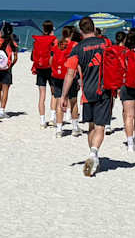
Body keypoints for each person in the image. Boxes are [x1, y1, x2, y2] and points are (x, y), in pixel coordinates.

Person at [61, 17, 111, 176]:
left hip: (87, 91)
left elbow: (70, 74)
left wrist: (63, 96)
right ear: (94, 28)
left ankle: (92, 155)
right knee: (100, 126)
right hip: (104, 89)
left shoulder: (77, 48)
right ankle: (94, 154)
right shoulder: (105, 44)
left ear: (81, 31)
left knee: (91, 127)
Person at [50, 26, 81, 137]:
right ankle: (74, 127)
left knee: (59, 102)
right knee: (73, 102)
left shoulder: (57, 44)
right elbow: (78, 63)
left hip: (57, 76)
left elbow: (51, 60)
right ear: (72, 34)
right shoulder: (75, 45)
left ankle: (59, 129)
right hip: (70, 76)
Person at [31, 21, 58, 128]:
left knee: (41, 95)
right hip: (51, 68)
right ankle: (52, 118)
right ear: (52, 29)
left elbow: (33, 56)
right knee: (54, 93)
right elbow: (56, 53)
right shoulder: (54, 39)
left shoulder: (37, 39)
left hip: (40, 68)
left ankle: (42, 121)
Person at [0, 23, 18, 120]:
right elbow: (16, 58)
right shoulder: (13, 43)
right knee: (5, 90)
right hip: (7, 68)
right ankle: (2, 111)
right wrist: (11, 65)